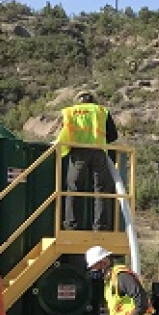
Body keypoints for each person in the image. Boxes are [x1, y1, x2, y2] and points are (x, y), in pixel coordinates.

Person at [57, 90, 119, 232]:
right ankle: (100, 227)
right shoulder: (101, 111)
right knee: (101, 190)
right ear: (93, 100)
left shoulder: (70, 112)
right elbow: (113, 135)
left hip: (78, 153)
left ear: (78, 100)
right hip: (98, 152)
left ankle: (71, 226)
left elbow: (64, 134)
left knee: (74, 188)